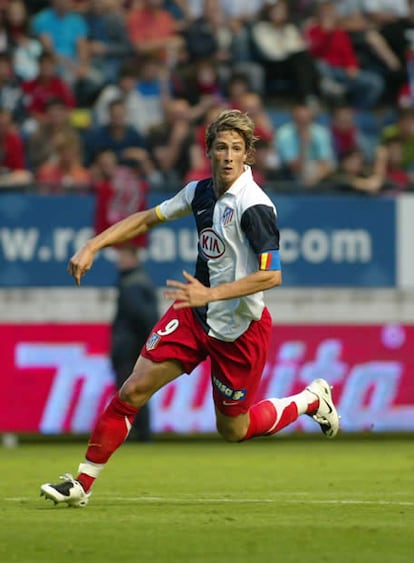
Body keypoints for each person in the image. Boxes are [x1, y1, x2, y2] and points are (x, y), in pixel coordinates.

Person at [40, 109, 340, 508]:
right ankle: (81, 484)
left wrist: (211, 295)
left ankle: (311, 400)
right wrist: (94, 244)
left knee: (234, 429)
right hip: (194, 315)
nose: (228, 156)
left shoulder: (255, 206)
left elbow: (272, 276)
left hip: (239, 328)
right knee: (133, 388)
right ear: (209, 151)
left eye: (237, 149)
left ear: (248, 155)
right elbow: (148, 218)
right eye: (221, 147)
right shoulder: (199, 193)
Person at [110, 245, 159, 442]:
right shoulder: (139, 280)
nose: (118, 262)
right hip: (136, 346)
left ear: (133, 258)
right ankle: (140, 433)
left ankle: (134, 433)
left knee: (130, 390)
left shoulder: (132, 284)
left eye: (122, 257)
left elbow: (140, 316)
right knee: (137, 390)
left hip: (130, 348)